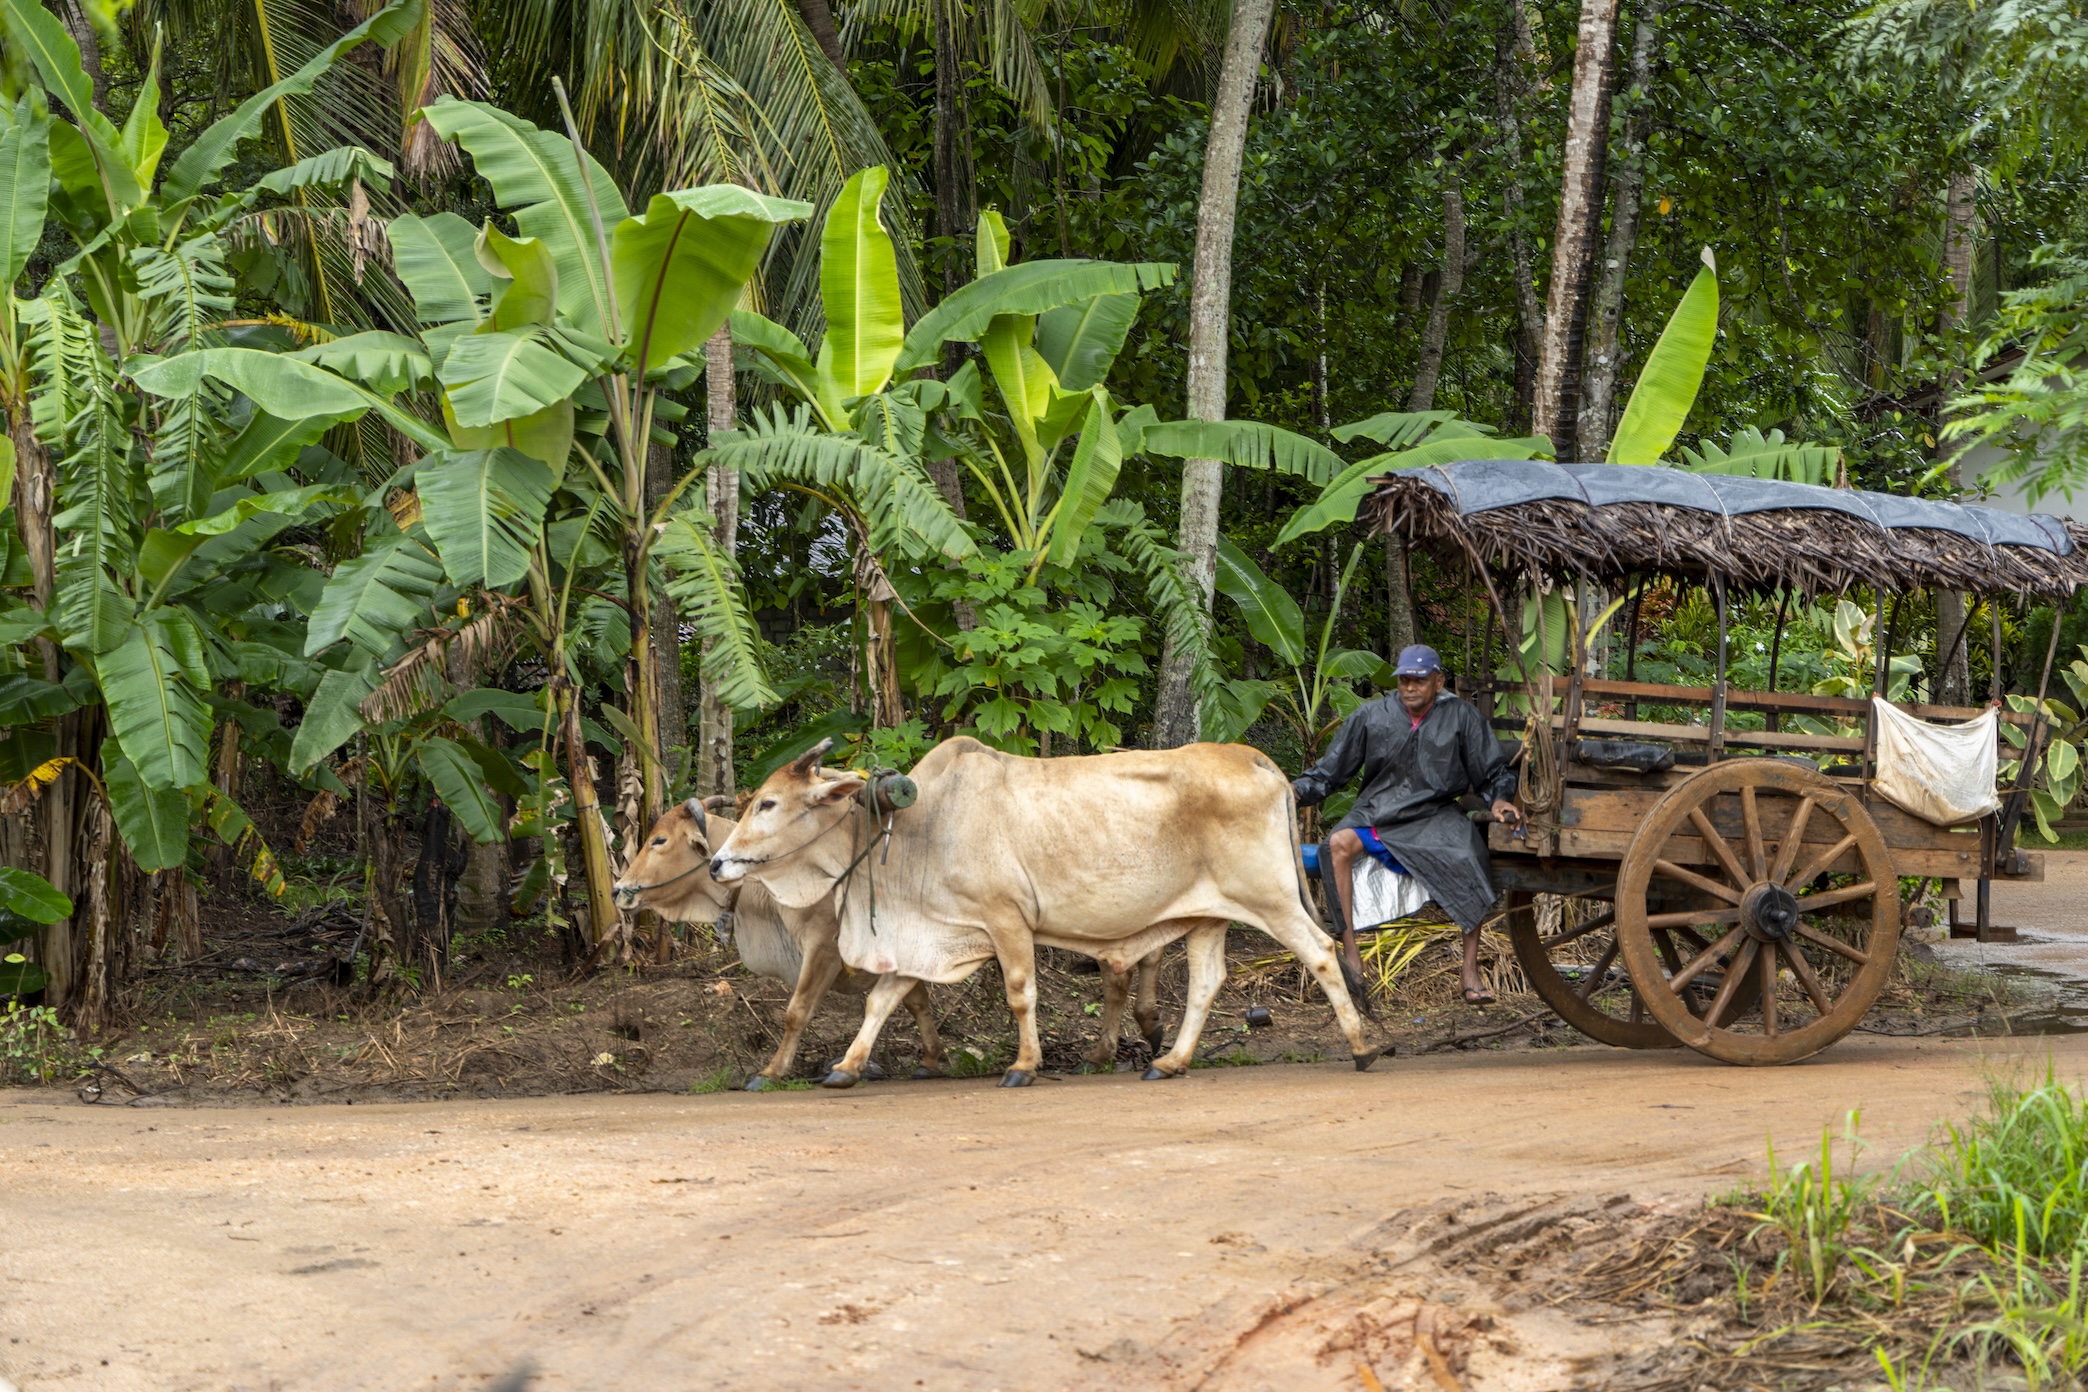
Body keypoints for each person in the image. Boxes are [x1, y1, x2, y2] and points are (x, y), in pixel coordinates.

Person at [1292, 644, 1521, 1005]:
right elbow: (1329, 773)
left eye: (1419, 679)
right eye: (1404, 680)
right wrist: (1294, 791)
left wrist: (1501, 799)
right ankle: (1352, 955)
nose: (1410, 687)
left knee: (1467, 854)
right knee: (1337, 844)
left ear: (1438, 680)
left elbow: (1492, 771)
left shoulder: (1462, 716)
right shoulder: (1371, 716)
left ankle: (1469, 968)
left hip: (1433, 814)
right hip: (1378, 812)